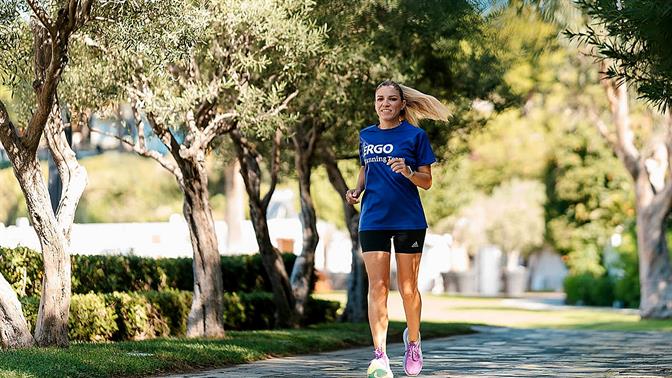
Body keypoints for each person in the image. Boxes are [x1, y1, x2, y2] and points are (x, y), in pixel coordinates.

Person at [346, 80, 449, 378]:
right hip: (373, 219)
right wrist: (356, 191)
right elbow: (365, 168)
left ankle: (413, 342)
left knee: (407, 289)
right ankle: (379, 356)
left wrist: (408, 171)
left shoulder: (416, 136)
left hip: (408, 220)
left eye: (392, 99)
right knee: (377, 288)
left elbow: (427, 181)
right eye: (380, 99)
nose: (385, 104)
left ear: (402, 104)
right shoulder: (366, 135)